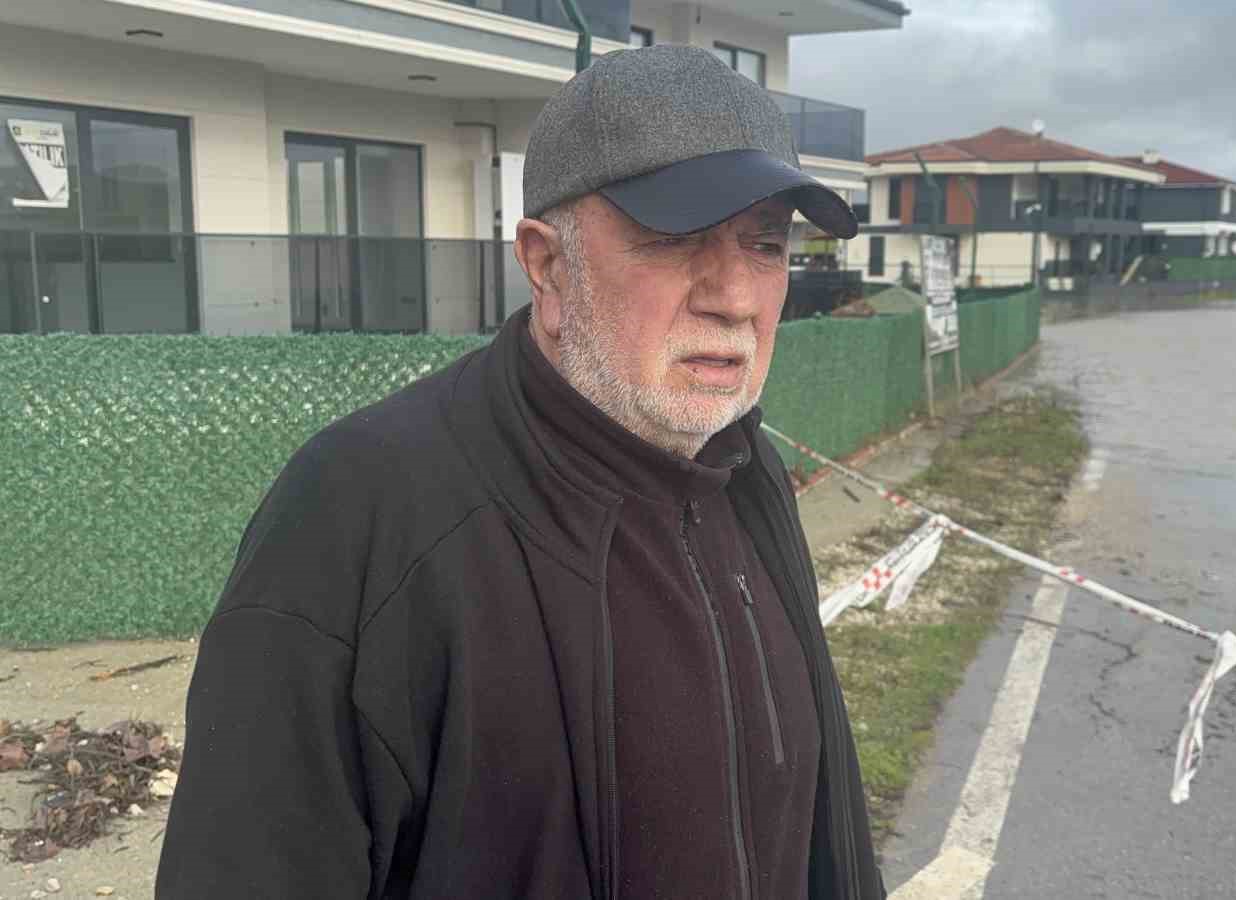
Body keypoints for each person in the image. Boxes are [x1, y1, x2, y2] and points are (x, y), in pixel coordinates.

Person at [155, 44, 883, 899]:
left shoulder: (744, 471)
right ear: (548, 266)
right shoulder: (363, 510)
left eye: (765, 244)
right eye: (676, 239)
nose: (735, 297)